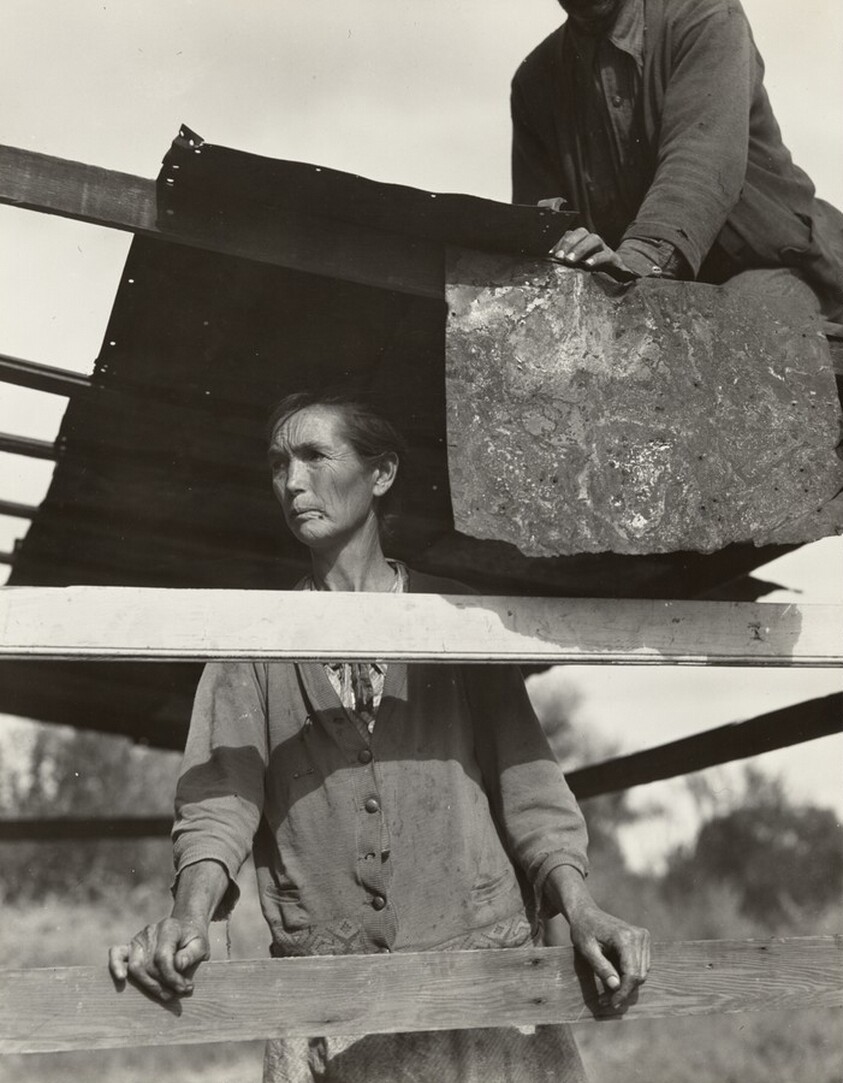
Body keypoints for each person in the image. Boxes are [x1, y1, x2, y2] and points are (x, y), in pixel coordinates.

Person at [109, 391, 649, 1082]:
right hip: (334, 1007)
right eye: (278, 464)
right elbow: (218, 802)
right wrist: (188, 912)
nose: (292, 482)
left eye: (313, 456)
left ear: (382, 474)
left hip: (483, 996)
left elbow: (530, 788)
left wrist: (579, 906)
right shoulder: (251, 639)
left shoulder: (455, 622)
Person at [511, 0, 843, 328]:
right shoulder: (534, 81)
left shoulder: (704, 14)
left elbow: (700, 162)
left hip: (777, 266)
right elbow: (539, 232)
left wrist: (636, 263)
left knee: (731, 335)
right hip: (635, 294)